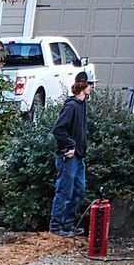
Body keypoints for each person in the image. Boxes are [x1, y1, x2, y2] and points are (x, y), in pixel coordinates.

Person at [49, 74, 92, 235]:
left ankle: (68, 224)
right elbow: (58, 129)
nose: (92, 87)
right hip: (68, 156)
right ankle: (56, 226)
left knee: (78, 190)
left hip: (78, 156)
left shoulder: (81, 105)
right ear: (83, 86)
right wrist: (70, 145)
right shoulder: (72, 106)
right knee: (65, 191)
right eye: (90, 84)